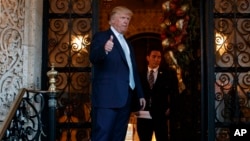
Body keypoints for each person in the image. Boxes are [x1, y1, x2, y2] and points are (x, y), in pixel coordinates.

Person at [89, 6, 146, 141]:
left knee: (118, 137)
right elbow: (93, 57)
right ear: (112, 20)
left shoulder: (128, 43)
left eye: (128, 19)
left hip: (126, 98)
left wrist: (140, 94)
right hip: (107, 98)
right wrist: (104, 49)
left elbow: (132, 70)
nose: (126, 21)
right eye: (123, 18)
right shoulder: (102, 37)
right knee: (102, 136)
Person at [136, 47, 179, 141]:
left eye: (159, 57)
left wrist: (170, 107)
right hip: (143, 115)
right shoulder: (139, 74)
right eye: (154, 56)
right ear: (148, 57)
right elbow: (135, 92)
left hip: (160, 115)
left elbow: (174, 93)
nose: (156, 59)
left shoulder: (169, 74)